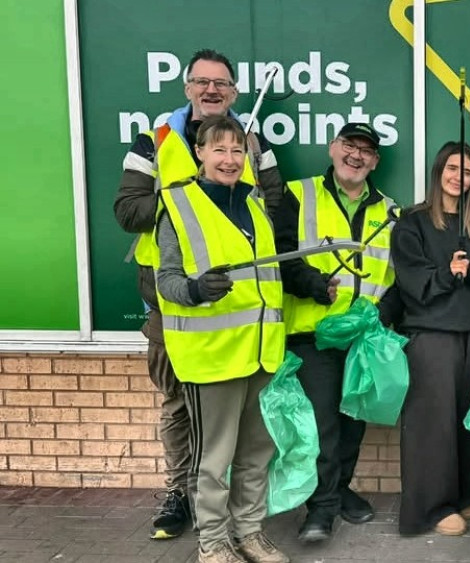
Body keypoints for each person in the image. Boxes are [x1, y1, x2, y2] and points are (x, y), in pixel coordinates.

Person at [113, 48, 283, 540]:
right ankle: (178, 493)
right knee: (177, 403)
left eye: (222, 84)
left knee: (243, 430)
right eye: (203, 82)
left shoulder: (249, 140)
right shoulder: (156, 141)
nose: (212, 90)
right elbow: (127, 210)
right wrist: (191, 195)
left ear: (233, 92)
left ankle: (235, 522)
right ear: (187, 86)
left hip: (242, 306)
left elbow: (272, 200)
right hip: (172, 301)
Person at [154, 115, 288, 563]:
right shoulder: (178, 205)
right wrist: (194, 291)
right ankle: (213, 543)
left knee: (255, 454)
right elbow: (166, 279)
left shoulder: (254, 206)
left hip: (260, 352)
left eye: (238, 151)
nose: (230, 160)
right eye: (220, 149)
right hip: (212, 357)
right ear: (200, 153)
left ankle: (249, 532)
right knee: (214, 459)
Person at [273, 122, 397, 543]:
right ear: (332, 148)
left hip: (361, 339)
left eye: (366, 150)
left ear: (375, 160)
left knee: (352, 422)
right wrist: (315, 286)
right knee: (323, 425)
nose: (356, 155)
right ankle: (321, 509)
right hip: (313, 335)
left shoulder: (389, 210)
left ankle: (340, 489)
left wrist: (381, 317)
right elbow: (281, 261)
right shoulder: (297, 194)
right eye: (349, 145)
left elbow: (397, 278)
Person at [390, 142, 470, 536]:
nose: (458, 177)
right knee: (434, 428)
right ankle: (431, 508)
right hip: (432, 338)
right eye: (452, 168)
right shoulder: (412, 223)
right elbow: (411, 283)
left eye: (467, 171)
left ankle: (466, 493)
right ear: (438, 171)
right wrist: (448, 273)